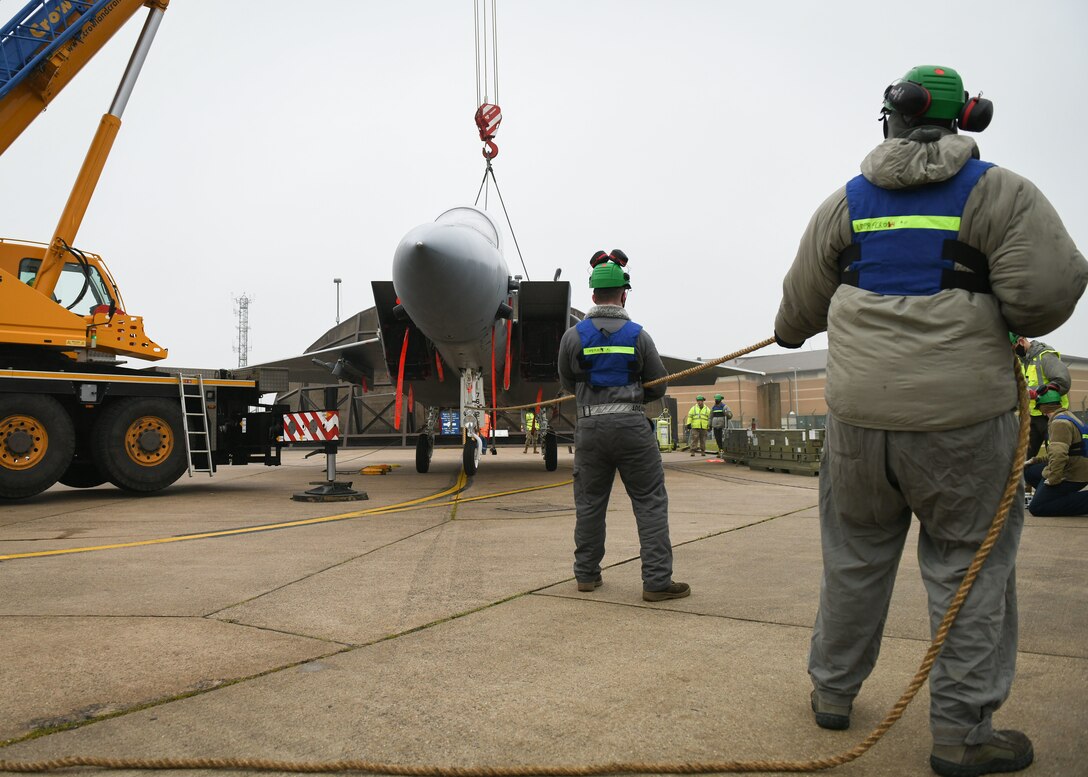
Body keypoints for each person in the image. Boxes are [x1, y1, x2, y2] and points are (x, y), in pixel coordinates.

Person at [773, 65, 1087, 777]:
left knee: (853, 557)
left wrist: (798, 326)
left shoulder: (845, 203)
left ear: (891, 119)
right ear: (965, 119)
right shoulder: (1001, 194)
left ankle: (832, 690)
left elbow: (794, 314)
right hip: (964, 427)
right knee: (969, 571)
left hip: (857, 427)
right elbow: (1047, 294)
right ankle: (962, 733)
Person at [558, 249, 690, 602]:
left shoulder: (573, 337)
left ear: (592, 295)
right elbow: (658, 385)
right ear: (624, 293)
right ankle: (657, 581)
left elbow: (568, 383)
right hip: (632, 428)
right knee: (649, 502)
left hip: (589, 430)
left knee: (589, 504)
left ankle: (586, 575)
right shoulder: (638, 336)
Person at [1023, 390, 1088, 517]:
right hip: (1076, 465)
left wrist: (1053, 479)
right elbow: (1067, 451)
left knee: (1037, 507)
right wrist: (1035, 460)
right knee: (1029, 470)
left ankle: (1064, 500)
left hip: (1073, 473)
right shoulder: (1068, 415)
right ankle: (1054, 496)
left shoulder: (1059, 424)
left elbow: (1059, 456)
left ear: (1043, 409)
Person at [1012, 334, 1071, 458]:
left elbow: (1062, 382)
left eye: (1014, 347)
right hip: (1031, 417)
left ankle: (1054, 477)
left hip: (1051, 415)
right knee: (1022, 458)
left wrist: (1037, 394)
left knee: (1056, 455)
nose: (1013, 351)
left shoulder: (1045, 356)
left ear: (1021, 341)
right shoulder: (1019, 362)